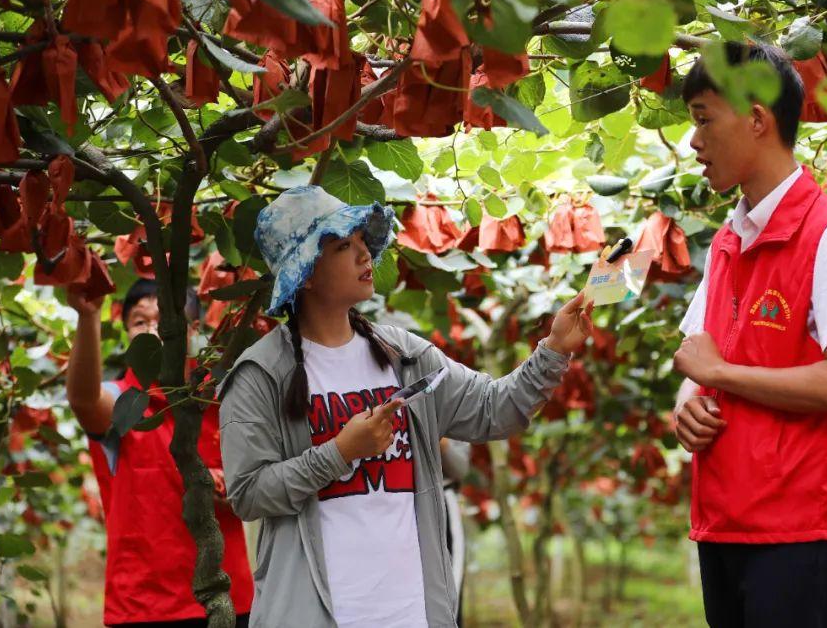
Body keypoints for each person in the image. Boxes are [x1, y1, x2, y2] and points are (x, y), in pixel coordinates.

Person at [217, 186, 594, 628]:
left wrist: (553, 349)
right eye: (344, 246)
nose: (364, 256)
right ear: (307, 273)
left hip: (411, 613)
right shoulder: (260, 373)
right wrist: (339, 453)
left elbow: (495, 409)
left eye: (362, 243)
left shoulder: (405, 355)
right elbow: (247, 494)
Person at [670, 41, 827, 628]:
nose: (694, 142)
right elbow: (696, 359)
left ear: (758, 119)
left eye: (703, 120)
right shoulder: (725, 243)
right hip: (723, 518)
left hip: (797, 528)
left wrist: (719, 376)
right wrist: (687, 405)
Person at [66, 278, 254, 627]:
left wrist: (236, 489)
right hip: (145, 606)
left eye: (165, 319)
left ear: (194, 330)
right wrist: (88, 317)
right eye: (140, 321)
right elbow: (83, 399)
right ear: (126, 333)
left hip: (228, 600)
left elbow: (258, 480)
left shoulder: (221, 400)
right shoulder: (121, 403)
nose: (153, 330)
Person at [440, 438, 471, 626]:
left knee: (449, 588)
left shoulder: (452, 410)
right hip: (397, 502)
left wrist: (440, 440)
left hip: (442, 501)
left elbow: (461, 468)